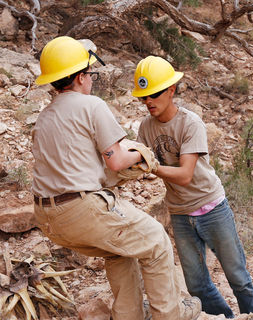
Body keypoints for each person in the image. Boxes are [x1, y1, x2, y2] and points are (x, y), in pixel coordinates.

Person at [30, 37, 200, 320]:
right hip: (80, 209)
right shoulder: (91, 105)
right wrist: (142, 154)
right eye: (91, 75)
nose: (92, 81)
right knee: (156, 240)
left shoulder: (45, 116)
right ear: (81, 77)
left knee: (117, 251)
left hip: (47, 217)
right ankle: (170, 315)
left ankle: (128, 315)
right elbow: (118, 160)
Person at [131, 56, 253, 318]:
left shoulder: (191, 123)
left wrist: (150, 166)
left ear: (171, 90)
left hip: (212, 207)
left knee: (238, 277)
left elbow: (185, 175)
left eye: (154, 94)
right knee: (196, 284)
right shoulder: (145, 126)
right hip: (179, 212)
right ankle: (226, 317)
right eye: (143, 97)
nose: (148, 102)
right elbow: (137, 159)